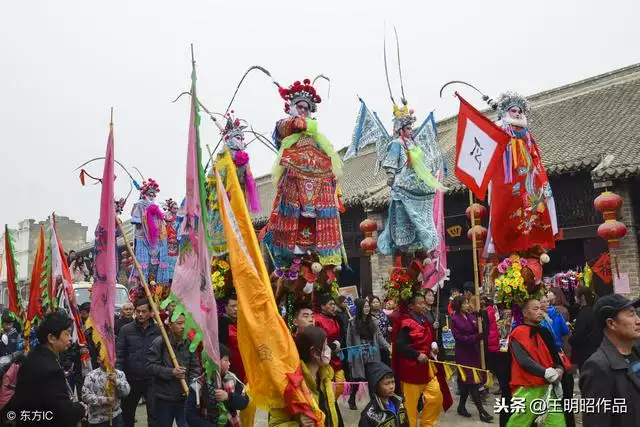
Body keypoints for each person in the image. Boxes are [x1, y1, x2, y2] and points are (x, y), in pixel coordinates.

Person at [265, 78, 344, 268]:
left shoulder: (318, 138)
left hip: (318, 186)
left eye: (306, 108)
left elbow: (328, 159)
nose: (303, 111)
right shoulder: (286, 127)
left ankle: (318, 256)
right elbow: (287, 127)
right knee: (291, 215)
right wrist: (299, 123)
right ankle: (290, 261)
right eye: (299, 107)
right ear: (291, 107)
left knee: (320, 218)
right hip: (294, 182)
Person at [377, 101, 445, 256]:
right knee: (402, 218)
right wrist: (390, 175)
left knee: (422, 219)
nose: (410, 131)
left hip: (418, 187)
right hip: (402, 187)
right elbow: (392, 161)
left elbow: (424, 163)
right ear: (400, 129)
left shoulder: (414, 144)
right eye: (407, 128)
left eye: (411, 128)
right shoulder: (396, 143)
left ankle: (423, 244)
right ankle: (402, 248)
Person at [8, 311, 87, 426]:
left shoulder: (34, 355)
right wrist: (81, 409)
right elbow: (62, 412)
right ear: (51, 338)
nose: (70, 338)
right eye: (67, 334)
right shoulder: (50, 370)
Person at [392, 293, 452, 427]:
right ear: (411, 306)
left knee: (436, 396)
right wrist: (416, 355)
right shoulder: (405, 322)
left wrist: (433, 347)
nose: (423, 305)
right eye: (419, 303)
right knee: (410, 407)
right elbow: (400, 346)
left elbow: (427, 340)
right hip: (411, 370)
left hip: (427, 367)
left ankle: (428, 424)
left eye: (423, 302)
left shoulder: (424, 320)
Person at [579, 294, 640, 426]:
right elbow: (596, 422)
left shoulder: (636, 353)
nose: (638, 320)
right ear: (611, 323)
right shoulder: (598, 367)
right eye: (631, 314)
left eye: (636, 314)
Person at [506, 298, 569, 427]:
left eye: (541, 308)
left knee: (557, 422)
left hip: (547, 386)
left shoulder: (545, 331)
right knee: (519, 423)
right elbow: (524, 361)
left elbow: (555, 355)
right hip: (527, 387)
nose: (540, 311)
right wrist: (545, 372)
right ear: (524, 313)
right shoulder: (518, 332)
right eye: (535, 309)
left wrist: (559, 369)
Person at [268, 326, 344, 426]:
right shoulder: (289, 385)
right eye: (325, 346)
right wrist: (298, 424)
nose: (329, 350)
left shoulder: (325, 377)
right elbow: (275, 424)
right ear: (314, 352)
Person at [146, 313, 200, 427]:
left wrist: (191, 387)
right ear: (170, 325)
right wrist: (171, 372)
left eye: (184, 323)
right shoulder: (160, 343)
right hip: (164, 398)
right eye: (179, 323)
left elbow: (195, 368)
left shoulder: (190, 343)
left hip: (185, 397)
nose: (183, 326)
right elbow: (150, 367)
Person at [116, 299, 160, 427]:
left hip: (152, 380)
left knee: (154, 415)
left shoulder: (159, 330)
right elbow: (120, 355)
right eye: (138, 311)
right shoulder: (126, 330)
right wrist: (119, 378)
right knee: (127, 415)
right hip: (131, 380)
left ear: (151, 313)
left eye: (144, 311)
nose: (140, 314)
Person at [450, 296, 492, 422]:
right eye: (464, 303)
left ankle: (461, 406)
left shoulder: (471, 317)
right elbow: (459, 338)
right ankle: (481, 411)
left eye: (467, 303)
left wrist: (481, 318)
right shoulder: (454, 319)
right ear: (458, 305)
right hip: (463, 354)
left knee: (466, 383)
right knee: (472, 381)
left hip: (474, 353)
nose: (467, 305)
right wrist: (475, 337)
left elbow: (481, 330)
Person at [185, 344, 249, 427]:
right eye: (226, 360)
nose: (229, 364)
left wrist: (228, 396)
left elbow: (244, 403)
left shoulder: (232, 380)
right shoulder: (197, 385)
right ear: (214, 362)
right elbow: (190, 416)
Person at [347, 298, 390, 410]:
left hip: (372, 351)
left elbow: (379, 336)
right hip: (359, 353)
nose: (367, 309)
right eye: (364, 307)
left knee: (373, 377)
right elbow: (349, 341)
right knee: (357, 378)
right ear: (360, 308)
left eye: (368, 306)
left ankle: (374, 402)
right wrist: (351, 358)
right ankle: (352, 398)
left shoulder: (373, 321)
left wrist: (387, 346)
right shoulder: (352, 322)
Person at [218, 294, 255, 426]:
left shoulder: (244, 323)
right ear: (226, 307)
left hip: (246, 372)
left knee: (248, 404)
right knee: (229, 409)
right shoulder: (221, 324)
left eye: (238, 305)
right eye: (233, 306)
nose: (236, 309)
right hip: (229, 373)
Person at [82, 350, 131, 427]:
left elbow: (126, 392)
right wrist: (105, 400)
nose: (109, 360)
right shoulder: (91, 376)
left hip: (116, 417)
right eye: (106, 357)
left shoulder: (119, 374)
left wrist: (117, 381)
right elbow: (85, 396)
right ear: (98, 359)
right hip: (97, 420)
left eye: (112, 357)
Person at [358, 361, 409, 427]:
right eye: (387, 383)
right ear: (376, 386)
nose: (391, 386)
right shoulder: (369, 414)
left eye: (393, 382)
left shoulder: (400, 403)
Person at [314, 294, 346, 396]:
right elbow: (316, 339)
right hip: (324, 357)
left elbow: (340, 334)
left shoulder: (335, 318)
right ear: (323, 306)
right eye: (330, 304)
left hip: (336, 355)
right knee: (328, 388)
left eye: (334, 304)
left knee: (340, 386)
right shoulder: (317, 319)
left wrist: (338, 344)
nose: (333, 306)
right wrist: (330, 346)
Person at [569, 286, 603, 371]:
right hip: (596, 351)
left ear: (582, 297)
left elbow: (578, 335)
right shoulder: (593, 310)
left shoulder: (584, 313)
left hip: (586, 354)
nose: (575, 298)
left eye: (576, 295)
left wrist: (571, 339)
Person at [370, 295, 392, 366]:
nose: (376, 304)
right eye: (373, 302)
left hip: (385, 340)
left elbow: (387, 323)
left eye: (377, 302)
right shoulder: (369, 316)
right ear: (370, 304)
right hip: (375, 342)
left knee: (387, 361)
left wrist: (388, 327)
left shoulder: (382, 313)